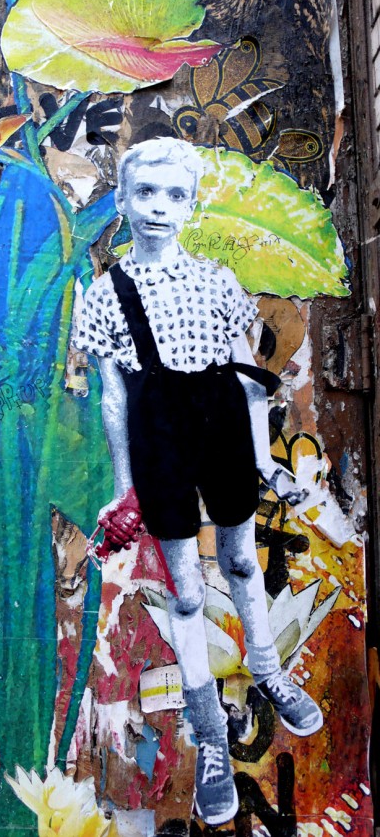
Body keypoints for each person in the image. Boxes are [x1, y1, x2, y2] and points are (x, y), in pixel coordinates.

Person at [74, 137, 322, 827]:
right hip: (158, 435)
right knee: (186, 590)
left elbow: (248, 381)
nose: (158, 208)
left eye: (174, 195)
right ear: (121, 201)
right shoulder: (107, 292)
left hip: (218, 424)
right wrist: (125, 487)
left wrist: (266, 458)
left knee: (241, 558)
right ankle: (209, 729)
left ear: (191, 204)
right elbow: (115, 399)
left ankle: (269, 669)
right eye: (144, 194)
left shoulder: (215, 281)